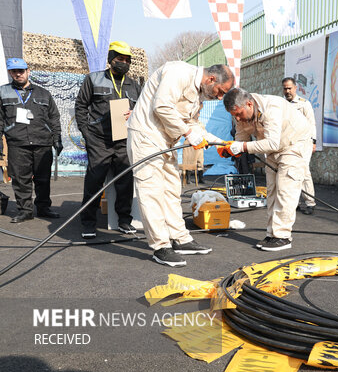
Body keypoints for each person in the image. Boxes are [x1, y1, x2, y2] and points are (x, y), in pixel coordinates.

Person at [127, 62, 234, 267]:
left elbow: (193, 124)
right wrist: (187, 134)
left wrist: (219, 143)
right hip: (146, 137)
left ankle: (180, 239)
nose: (220, 97)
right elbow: (162, 106)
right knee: (152, 192)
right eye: (221, 92)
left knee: (172, 190)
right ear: (211, 79)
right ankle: (160, 246)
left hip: (166, 141)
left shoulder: (198, 93)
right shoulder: (178, 72)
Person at [221, 87, 313, 251]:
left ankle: (282, 236)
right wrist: (231, 148)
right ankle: (272, 234)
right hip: (273, 149)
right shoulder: (241, 112)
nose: (236, 118)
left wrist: (241, 147)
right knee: (272, 190)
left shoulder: (272, 108)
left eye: (238, 114)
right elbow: (241, 136)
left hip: (294, 145)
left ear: (249, 104)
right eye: (233, 115)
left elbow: (271, 142)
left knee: (286, 190)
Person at [75, 41, 142, 238]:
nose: (124, 63)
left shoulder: (134, 85)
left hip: (124, 141)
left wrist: (134, 115)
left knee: (125, 182)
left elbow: (141, 111)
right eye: (120, 59)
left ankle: (124, 220)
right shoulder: (94, 79)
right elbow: (81, 106)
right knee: (94, 181)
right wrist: (86, 133)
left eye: (127, 60)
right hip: (99, 141)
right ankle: (88, 223)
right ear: (110, 60)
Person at [0, 58, 62, 223]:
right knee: (21, 179)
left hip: (42, 143)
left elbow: (54, 117)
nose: (18, 74)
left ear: (28, 71)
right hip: (17, 144)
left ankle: (43, 207)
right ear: (10, 73)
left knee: (43, 178)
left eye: (21, 71)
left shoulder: (43, 93)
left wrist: (57, 138)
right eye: (14, 71)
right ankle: (25, 211)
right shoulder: (3, 92)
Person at [282, 77, 316, 215]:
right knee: (289, 174)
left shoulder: (304, 104)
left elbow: (311, 123)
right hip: (288, 144)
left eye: (290, 88)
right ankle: (295, 203)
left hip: (303, 143)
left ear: (295, 88)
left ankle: (310, 203)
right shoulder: (281, 104)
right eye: (285, 88)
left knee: (304, 172)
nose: (287, 91)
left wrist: (313, 141)